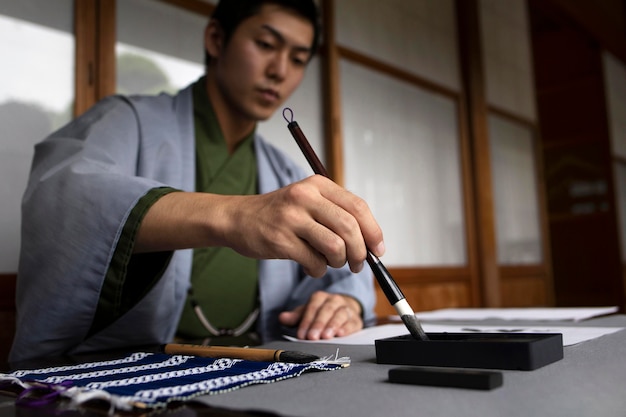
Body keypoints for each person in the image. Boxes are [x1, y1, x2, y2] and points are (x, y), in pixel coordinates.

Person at [10, 0, 384, 363]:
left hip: (260, 366)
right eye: (266, 45)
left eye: (298, 59)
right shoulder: (129, 121)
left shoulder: (284, 172)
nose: (279, 70)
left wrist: (345, 302)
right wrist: (232, 216)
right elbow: (61, 199)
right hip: (135, 373)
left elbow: (346, 272)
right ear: (216, 39)